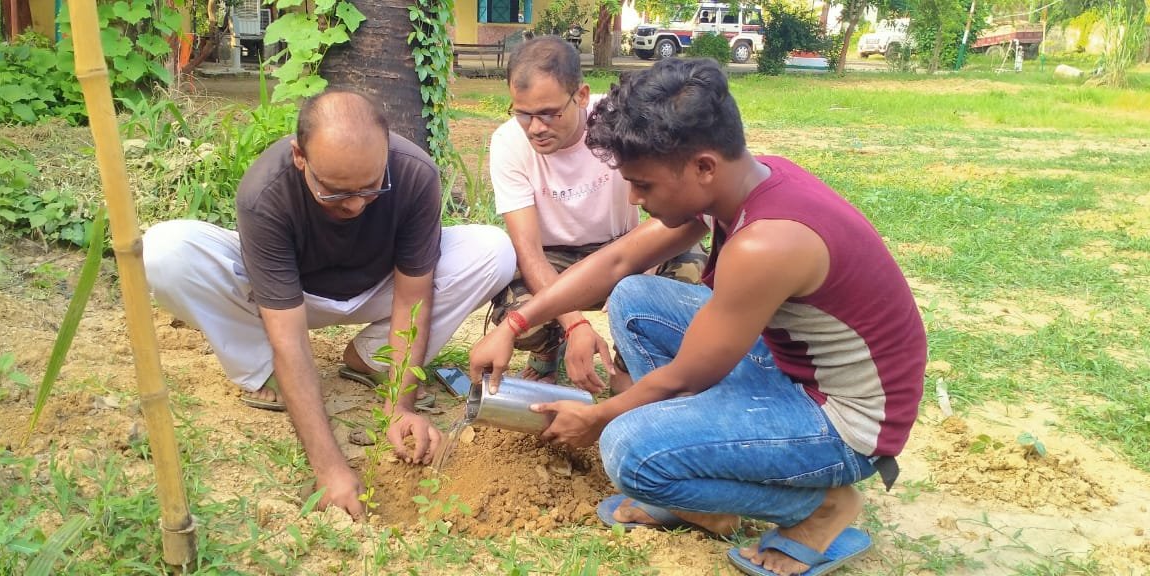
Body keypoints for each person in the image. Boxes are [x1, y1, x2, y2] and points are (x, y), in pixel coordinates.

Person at [468, 58, 926, 576]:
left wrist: (596, 419)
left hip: (847, 420)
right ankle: (701, 484)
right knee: (634, 296)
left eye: (643, 184)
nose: (635, 199)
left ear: (704, 166)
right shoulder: (744, 180)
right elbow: (619, 261)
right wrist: (514, 325)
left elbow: (689, 375)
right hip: (793, 369)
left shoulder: (767, 244)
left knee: (628, 449)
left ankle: (822, 508)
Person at [144, 91, 516, 520]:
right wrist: (330, 467)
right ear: (300, 156)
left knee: (494, 251)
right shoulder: (266, 191)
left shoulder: (414, 174)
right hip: (284, 300)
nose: (356, 204)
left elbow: (413, 297)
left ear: (385, 148)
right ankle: (265, 370)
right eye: (336, 193)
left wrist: (401, 406)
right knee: (164, 252)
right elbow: (287, 333)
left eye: (371, 188)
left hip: (379, 289)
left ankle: (371, 360)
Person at [488, 35, 705, 392]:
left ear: (582, 96)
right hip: (553, 256)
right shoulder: (508, 143)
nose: (536, 128)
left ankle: (628, 359)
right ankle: (548, 349)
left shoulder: (619, 123)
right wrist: (575, 325)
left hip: (625, 244)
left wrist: (644, 279)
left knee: (687, 269)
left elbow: (670, 206)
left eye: (549, 113)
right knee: (518, 312)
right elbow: (530, 254)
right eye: (523, 114)